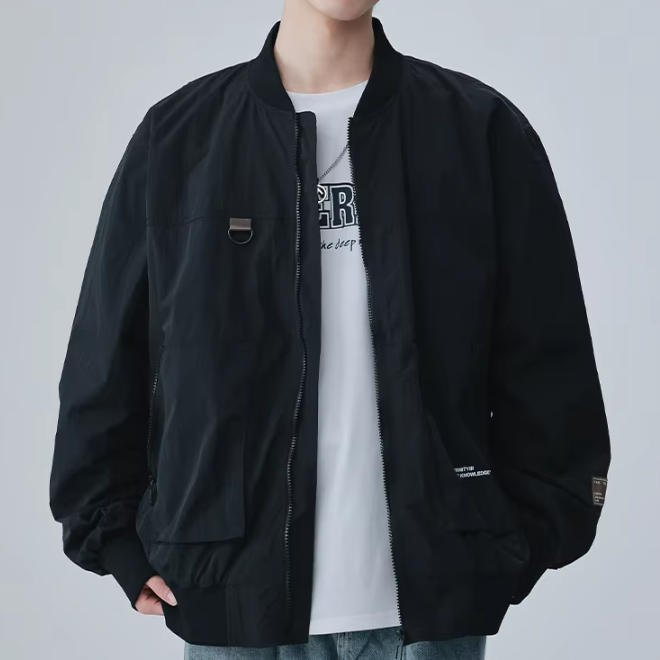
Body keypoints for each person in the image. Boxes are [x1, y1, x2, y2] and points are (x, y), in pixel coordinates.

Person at [49, 1, 612, 659]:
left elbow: (549, 359)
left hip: (431, 614)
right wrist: (113, 537)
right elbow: (106, 360)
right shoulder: (179, 140)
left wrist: (521, 541)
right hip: (232, 605)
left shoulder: (477, 129)